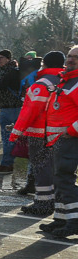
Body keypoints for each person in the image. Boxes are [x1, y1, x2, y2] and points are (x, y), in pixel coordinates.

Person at [9, 50, 65, 218]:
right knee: (56, 169)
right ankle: (55, 202)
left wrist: (15, 133)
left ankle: (42, 203)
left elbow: (29, 111)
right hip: (61, 134)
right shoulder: (65, 81)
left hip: (39, 134)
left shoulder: (41, 84)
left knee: (41, 168)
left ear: (44, 64)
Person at [41, 46, 78, 237]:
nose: (70, 60)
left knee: (64, 178)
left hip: (68, 140)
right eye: (69, 56)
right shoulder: (67, 81)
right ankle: (61, 219)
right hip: (59, 139)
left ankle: (74, 221)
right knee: (59, 180)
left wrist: (70, 132)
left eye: (75, 57)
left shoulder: (75, 83)